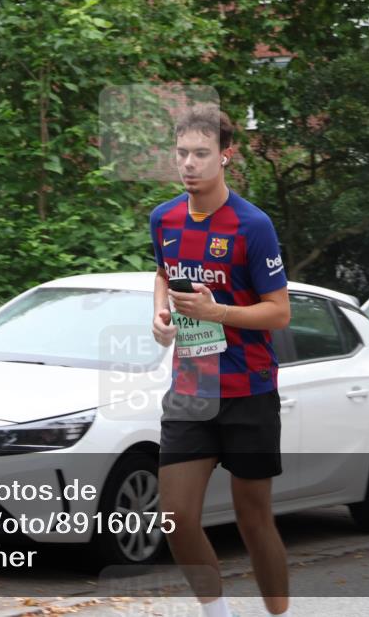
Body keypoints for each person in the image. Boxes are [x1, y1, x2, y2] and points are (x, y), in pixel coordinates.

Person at [149, 105, 291, 617]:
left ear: (226, 156)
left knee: (254, 519)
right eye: (183, 153)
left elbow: (279, 313)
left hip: (249, 390)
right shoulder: (163, 218)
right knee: (175, 518)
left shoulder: (253, 226)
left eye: (201, 154)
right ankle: (219, 613)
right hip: (191, 388)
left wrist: (217, 311)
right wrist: (160, 313)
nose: (189, 164)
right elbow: (165, 274)